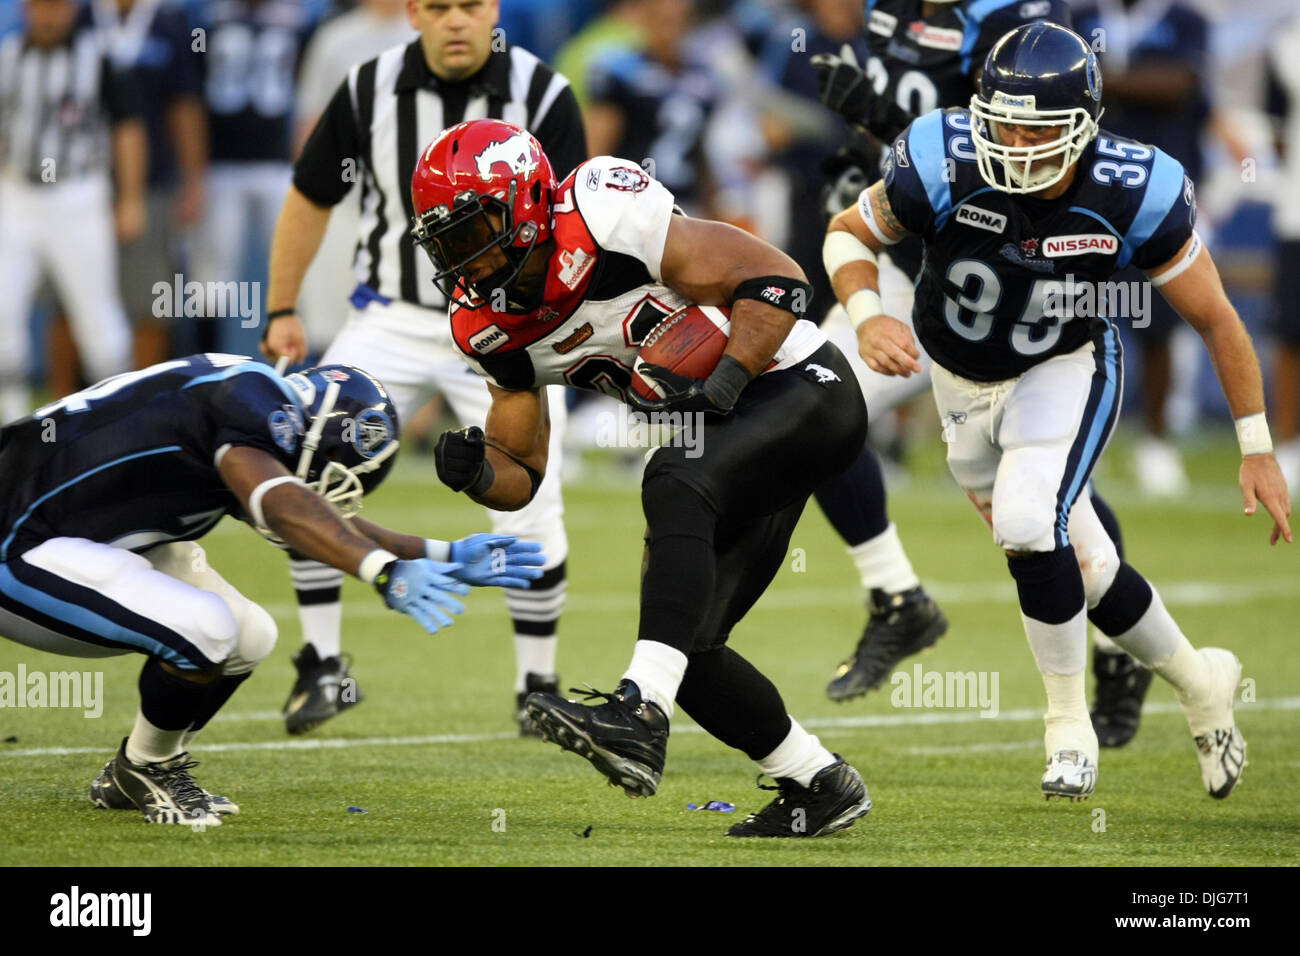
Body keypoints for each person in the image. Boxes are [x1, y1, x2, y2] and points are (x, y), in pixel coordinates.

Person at [824, 22, 1291, 800]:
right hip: (957, 381)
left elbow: (1217, 319)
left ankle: (1066, 726)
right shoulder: (942, 154)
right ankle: (1202, 682)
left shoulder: (1133, 187)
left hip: (1062, 366)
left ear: (1082, 127)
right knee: (1088, 568)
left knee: (1024, 519)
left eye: (1033, 128)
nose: (1011, 141)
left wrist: (1256, 446)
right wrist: (869, 312)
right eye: (1000, 121)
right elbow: (849, 233)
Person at [411, 118, 872, 838]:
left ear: (529, 201)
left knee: (671, 480)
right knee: (689, 644)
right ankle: (818, 782)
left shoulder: (601, 211)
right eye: (448, 244)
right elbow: (524, 472)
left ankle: (637, 713)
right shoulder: (486, 327)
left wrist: (721, 386)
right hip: (725, 442)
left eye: (474, 232)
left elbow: (781, 281)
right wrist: (477, 474)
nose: (464, 261)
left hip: (801, 388)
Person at [0, 353, 545, 825]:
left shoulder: (254, 409)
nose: (323, 497)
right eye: (326, 481)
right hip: (17, 541)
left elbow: (306, 513)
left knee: (249, 634)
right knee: (206, 631)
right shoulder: (250, 408)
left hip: (75, 535)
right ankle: (149, 772)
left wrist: (441, 553)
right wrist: (381, 571)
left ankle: (139, 767)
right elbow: (286, 505)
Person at [812, 0, 1156, 748]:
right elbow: (912, 144)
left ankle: (1116, 647)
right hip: (910, 260)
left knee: (1055, 486)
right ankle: (896, 595)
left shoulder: (1016, 19)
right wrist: (860, 161)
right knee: (816, 406)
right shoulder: (889, 9)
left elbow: (1005, 149)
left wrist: (878, 116)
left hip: (1002, 268)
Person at [262, 0, 586, 737]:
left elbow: (572, 222)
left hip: (510, 327)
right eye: (438, 6)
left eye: (470, 4)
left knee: (533, 501)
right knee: (307, 460)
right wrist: (281, 307)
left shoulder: (543, 93)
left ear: (494, 9)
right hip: (393, 317)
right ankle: (322, 664)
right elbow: (311, 197)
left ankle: (537, 686)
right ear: (413, 12)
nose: (456, 21)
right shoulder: (366, 87)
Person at [0, 0, 140, 425]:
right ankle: (12, 425)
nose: (49, 14)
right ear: (26, 8)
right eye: (41, 5)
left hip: (77, 196)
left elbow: (128, 129)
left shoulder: (97, 56)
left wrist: (129, 197)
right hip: (16, 195)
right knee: (3, 311)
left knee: (97, 315)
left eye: (57, 5)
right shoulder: (7, 56)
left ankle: (121, 422)